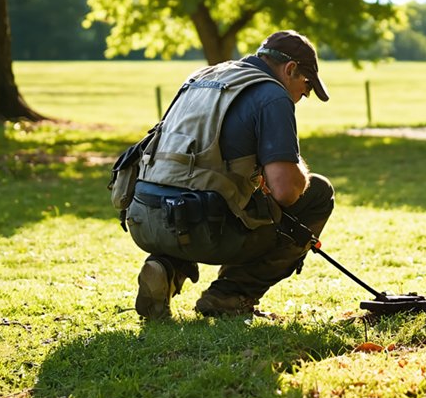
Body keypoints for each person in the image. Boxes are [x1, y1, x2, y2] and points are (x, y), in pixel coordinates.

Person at [125, 30, 334, 319]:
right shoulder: (273, 95)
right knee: (319, 193)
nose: (304, 96)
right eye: (306, 86)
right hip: (203, 229)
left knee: (208, 192)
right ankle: (229, 295)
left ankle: (166, 267)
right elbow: (287, 191)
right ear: (290, 69)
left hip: (144, 217)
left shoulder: (202, 78)